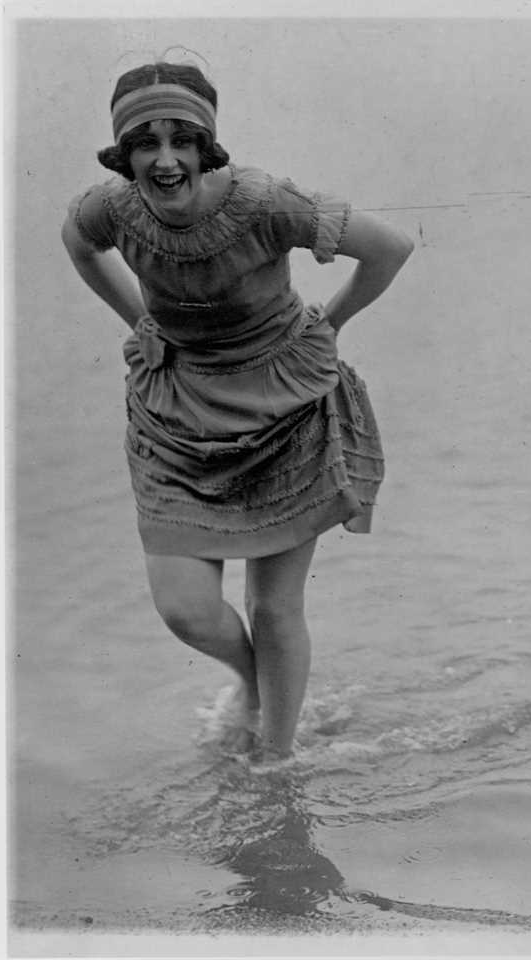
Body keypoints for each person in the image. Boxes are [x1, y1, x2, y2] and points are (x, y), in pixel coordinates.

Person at [61, 62, 414, 763]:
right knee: (186, 610)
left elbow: (388, 247)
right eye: (144, 143)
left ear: (206, 146)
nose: (165, 160)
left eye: (181, 140)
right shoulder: (111, 208)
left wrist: (328, 326)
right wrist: (141, 323)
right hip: (177, 418)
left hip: (284, 409)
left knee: (276, 608)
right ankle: (262, 693)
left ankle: (276, 760)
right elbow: (78, 244)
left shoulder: (261, 202)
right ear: (123, 153)